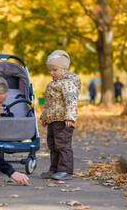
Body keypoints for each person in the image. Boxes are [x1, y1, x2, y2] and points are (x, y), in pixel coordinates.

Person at [40, 50, 81, 180]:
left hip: (63, 120)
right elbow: (49, 103)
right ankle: (54, 169)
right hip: (53, 120)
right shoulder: (53, 84)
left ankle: (65, 170)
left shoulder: (68, 83)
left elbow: (71, 101)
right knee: (53, 145)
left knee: (62, 145)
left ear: (64, 69)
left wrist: (70, 116)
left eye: (54, 70)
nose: (52, 73)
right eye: (50, 70)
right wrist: (45, 117)